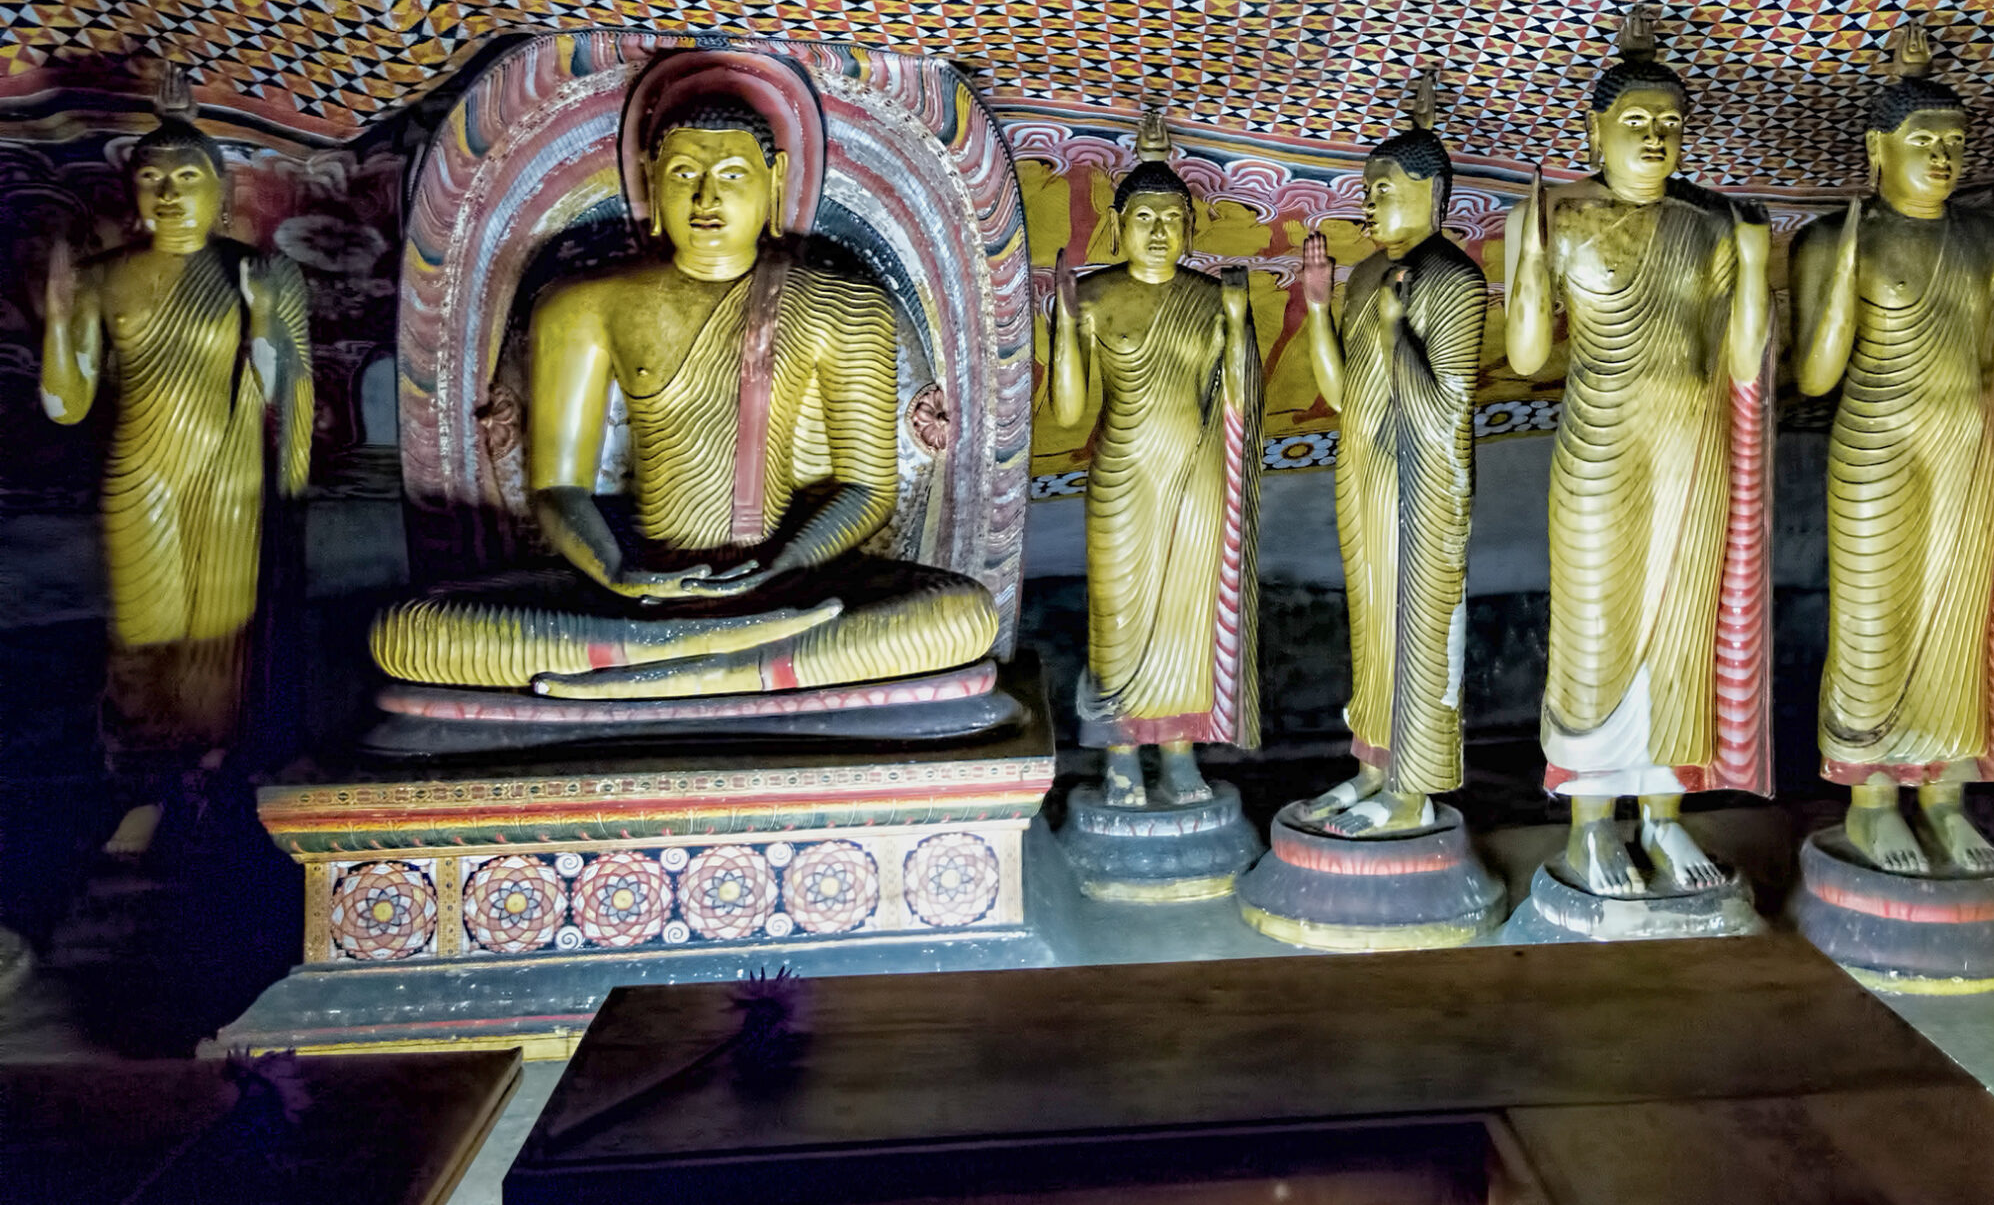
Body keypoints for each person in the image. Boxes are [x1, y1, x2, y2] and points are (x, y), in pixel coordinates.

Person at [370, 91, 1000, 697]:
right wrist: (616, 573)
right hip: (636, 594)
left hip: (793, 588)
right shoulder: (582, 306)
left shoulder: (844, 305)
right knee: (408, 636)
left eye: (731, 175)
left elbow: (867, 491)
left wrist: (784, 565)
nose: (705, 196)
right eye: (682, 173)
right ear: (651, 182)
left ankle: (655, 669)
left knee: (961, 618)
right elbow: (555, 489)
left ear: (775, 183)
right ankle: (732, 664)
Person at [1503, 14, 1773, 897]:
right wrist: (1532, 264)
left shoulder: (1711, 226)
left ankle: (1664, 815)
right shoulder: (1560, 217)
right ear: (1595, 132)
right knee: (1594, 626)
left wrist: (1755, 266)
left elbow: (1741, 362)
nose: (1656, 138)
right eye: (1636, 123)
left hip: (1693, 447)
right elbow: (1531, 358)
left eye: (1669, 125)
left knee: (1682, 627)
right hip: (1600, 442)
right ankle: (1589, 825)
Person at [1793, 27, 1994, 877]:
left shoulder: (1984, 239)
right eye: (1921, 140)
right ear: (1877, 149)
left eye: (1953, 143)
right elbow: (1817, 375)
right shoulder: (1835, 238)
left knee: (1958, 616)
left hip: (1968, 445)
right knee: (1873, 619)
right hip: (1878, 441)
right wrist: (1848, 270)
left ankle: (1946, 792)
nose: (1941, 156)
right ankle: (1868, 798)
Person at [43, 82, 310, 854]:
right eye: (153, 180)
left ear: (219, 190)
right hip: (141, 474)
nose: (168, 193)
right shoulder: (105, 277)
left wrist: (263, 322)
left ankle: (215, 779)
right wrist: (61, 325)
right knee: (143, 639)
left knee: (220, 642)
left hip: (229, 479)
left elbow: (288, 391)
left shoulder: (259, 273)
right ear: (132, 193)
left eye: (186, 177)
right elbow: (66, 405)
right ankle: (148, 786)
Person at [1049, 111, 1265, 805]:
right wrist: (1061, 326)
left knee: (1187, 621)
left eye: (1173, 217)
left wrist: (1237, 326)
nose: (1159, 231)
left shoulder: (1210, 298)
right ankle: (1119, 756)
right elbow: (1067, 412)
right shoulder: (1096, 296)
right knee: (1116, 619)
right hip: (1124, 476)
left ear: (1192, 228)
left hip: (1195, 478)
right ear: (1118, 226)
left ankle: (1178, 754)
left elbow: (1237, 399)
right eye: (1144, 216)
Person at [1297, 79, 1487, 836]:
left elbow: (1445, 412)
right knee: (1372, 626)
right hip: (1366, 474)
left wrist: (1398, 332)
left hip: (1428, 483)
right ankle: (1372, 765)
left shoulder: (1455, 281)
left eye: (1383, 189)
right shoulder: (1370, 275)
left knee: (1421, 628)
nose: (1368, 205)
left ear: (1432, 196)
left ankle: (1413, 789)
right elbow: (1343, 394)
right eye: (1365, 189)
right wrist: (1318, 308)